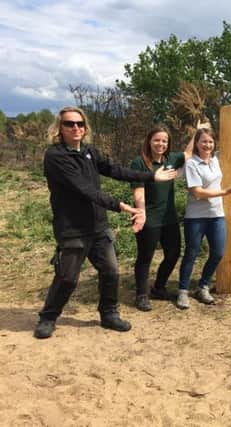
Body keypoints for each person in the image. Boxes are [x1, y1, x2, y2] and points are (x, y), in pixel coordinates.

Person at [34, 106, 177, 339]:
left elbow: (115, 170)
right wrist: (120, 206)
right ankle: (48, 317)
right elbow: (85, 190)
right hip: (72, 228)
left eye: (80, 124)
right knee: (67, 278)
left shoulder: (89, 151)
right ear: (60, 128)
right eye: (70, 124)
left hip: (98, 226)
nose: (76, 128)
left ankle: (109, 314)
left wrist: (151, 176)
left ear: (85, 127)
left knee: (111, 272)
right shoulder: (56, 156)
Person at [176, 127, 231, 309]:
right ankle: (182, 291)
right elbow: (197, 192)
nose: (207, 145)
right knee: (191, 253)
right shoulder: (191, 164)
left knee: (218, 253)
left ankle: (202, 286)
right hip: (196, 217)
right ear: (197, 144)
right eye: (203, 141)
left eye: (210, 142)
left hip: (216, 215)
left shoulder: (215, 161)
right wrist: (224, 192)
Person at [129, 126, 194, 311]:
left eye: (164, 141)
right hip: (149, 218)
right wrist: (141, 214)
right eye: (157, 140)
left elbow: (188, 153)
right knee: (145, 257)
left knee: (173, 253)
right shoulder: (139, 163)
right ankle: (141, 295)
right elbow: (138, 191)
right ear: (149, 141)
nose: (160, 144)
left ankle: (158, 287)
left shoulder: (171, 159)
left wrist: (198, 131)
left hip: (169, 217)